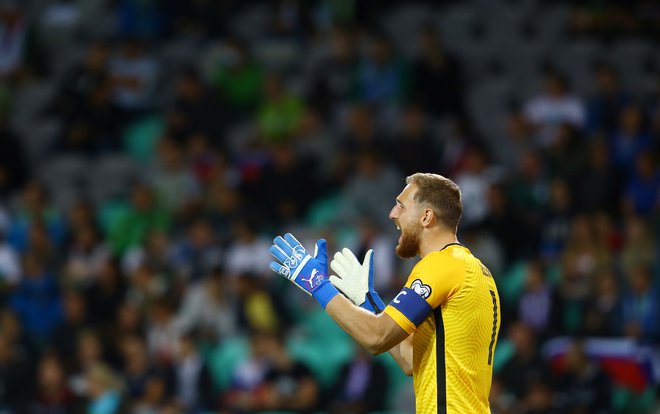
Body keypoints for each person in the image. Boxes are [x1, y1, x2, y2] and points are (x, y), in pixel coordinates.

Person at [269, 173, 501, 413]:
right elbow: (410, 360)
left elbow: (376, 338)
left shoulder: (441, 265)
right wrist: (368, 302)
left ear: (426, 216)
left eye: (401, 205)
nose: (392, 214)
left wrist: (317, 285)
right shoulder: (476, 271)